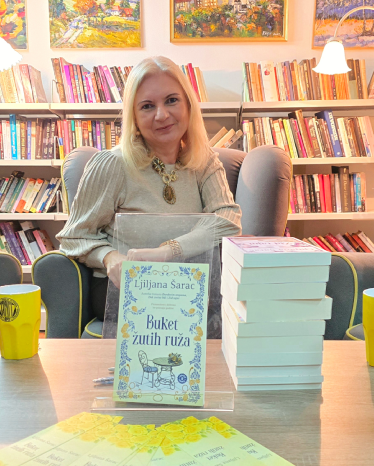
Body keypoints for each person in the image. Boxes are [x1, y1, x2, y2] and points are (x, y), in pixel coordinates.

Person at [57, 56, 242, 338]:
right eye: (147, 106)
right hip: (125, 289)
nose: (162, 115)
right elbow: (75, 236)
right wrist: (110, 258)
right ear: (133, 117)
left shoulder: (204, 161)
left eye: (171, 100)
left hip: (189, 286)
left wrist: (169, 251)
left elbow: (228, 219)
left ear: (188, 105)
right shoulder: (112, 164)